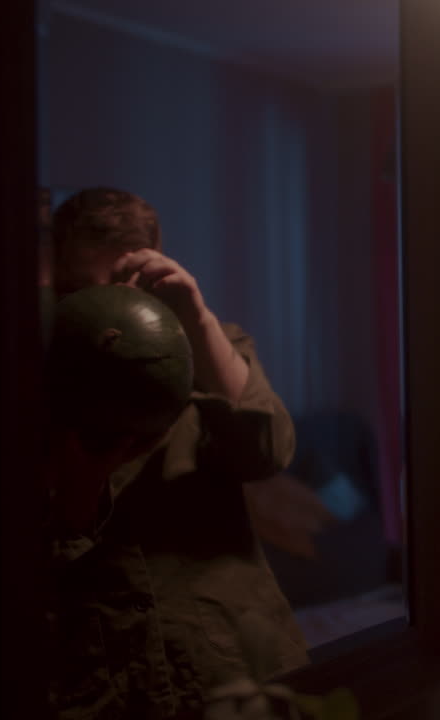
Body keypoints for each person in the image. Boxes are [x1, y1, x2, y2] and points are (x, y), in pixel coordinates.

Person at [43, 187, 309, 720]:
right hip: (105, 683)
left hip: (236, 669)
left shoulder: (210, 347)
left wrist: (196, 316)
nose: (108, 319)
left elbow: (267, 452)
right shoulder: (43, 372)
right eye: (81, 290)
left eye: (121, 288)